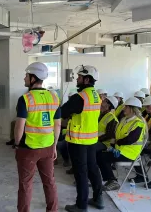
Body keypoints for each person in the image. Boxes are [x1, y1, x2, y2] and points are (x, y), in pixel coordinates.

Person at [13, 62, 60, 212]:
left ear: (33, 78)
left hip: (28, 149)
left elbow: (20, 125)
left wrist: (16, 143)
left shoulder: (25, 98)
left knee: (26, 184)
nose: (24, 78)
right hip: (47, 147)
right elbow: (57, 125)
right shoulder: (54, 97)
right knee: (49, 182)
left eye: (26, 76)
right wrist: (54, 146)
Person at [61, 65, 103, 212]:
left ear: (86, 79)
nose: (77, 79)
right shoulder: (96, 95)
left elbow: (62, 112)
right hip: (91, 139)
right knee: (93, 169)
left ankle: (81, 205)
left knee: (81, 173)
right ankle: (98, 199)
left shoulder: (80, 97)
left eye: (79, 77)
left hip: (78, 140)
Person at [97, 97, 146, 191]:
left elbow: (130, 139)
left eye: (126, 107)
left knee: (102, 157)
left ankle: (112, 181)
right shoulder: (124, 120)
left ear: (132, 109)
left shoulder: (138, 123)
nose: (124, 109)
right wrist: (112, 147)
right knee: (100, 155)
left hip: (130, 153)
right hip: (120, 150)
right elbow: (117, 135)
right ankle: (110, 180)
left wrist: (116, 143)